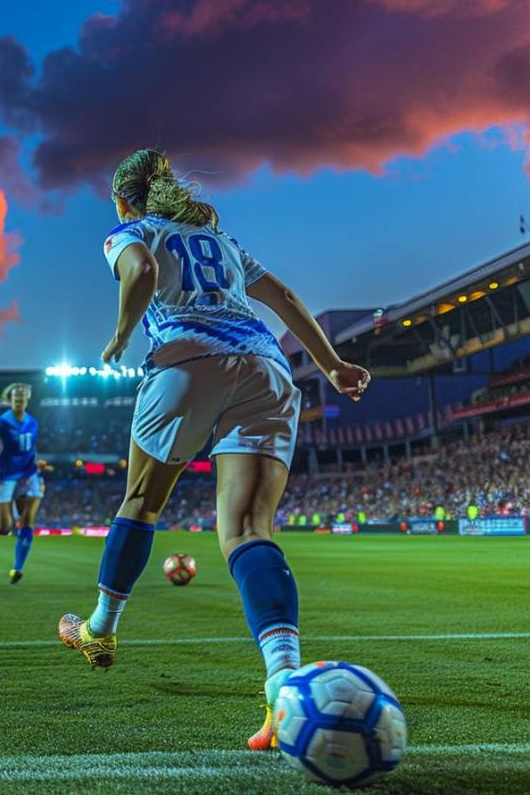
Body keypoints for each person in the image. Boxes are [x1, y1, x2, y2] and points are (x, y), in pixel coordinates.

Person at [57, 149, 370, 751]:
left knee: (143, 501)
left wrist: (123, 332)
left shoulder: (131, 229)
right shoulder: (219, 239)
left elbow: (143, 270)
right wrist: (330, 366)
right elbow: (281, 296)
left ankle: (100, 629)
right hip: (267, 369)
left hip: (187, 360)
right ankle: (283, 684)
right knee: (251, 530)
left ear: (124, 200)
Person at [0, 383, 44, 584]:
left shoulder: (33, 422)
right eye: (16, 398)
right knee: (2, 529)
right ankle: (14, 527)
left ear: (28, 399)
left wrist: (37, 467)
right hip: (5, 476)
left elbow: (31, 450)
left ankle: (18, 568)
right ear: (10, 399)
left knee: (28, 520)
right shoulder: (0, 422)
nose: (20, 401)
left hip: (29, 475)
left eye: (23, 397)